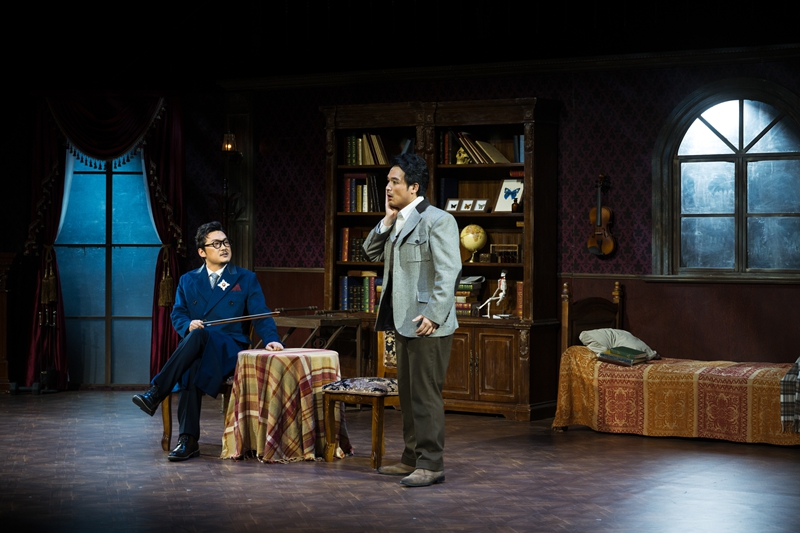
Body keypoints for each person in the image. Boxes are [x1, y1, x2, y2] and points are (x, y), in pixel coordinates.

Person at [133, 221, 284, 461]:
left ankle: (157, 392)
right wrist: (187, 325)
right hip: (198, 349)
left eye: (225, 242)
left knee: (199, 336)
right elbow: (178, 314)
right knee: (191, 365)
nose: (223, 247)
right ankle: (188, 440)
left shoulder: (245, 278)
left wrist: (271, 339)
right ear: (202, 252)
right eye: (216, 244)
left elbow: (261, 314)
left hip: (229, 349)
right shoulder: (188, 280)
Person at [363, 153, 462, 487]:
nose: (388, 187)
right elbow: (370, 253)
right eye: (387, 181)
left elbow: (449, 272)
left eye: (395, 182)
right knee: (407, 395)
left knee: (425, 395)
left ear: (414, 187)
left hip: (427, 323)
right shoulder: (398, 220)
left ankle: (431, 464)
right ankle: (411, 457)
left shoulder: (438, 220)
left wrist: (433, 314)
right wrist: (386, 221)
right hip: (402, 320)